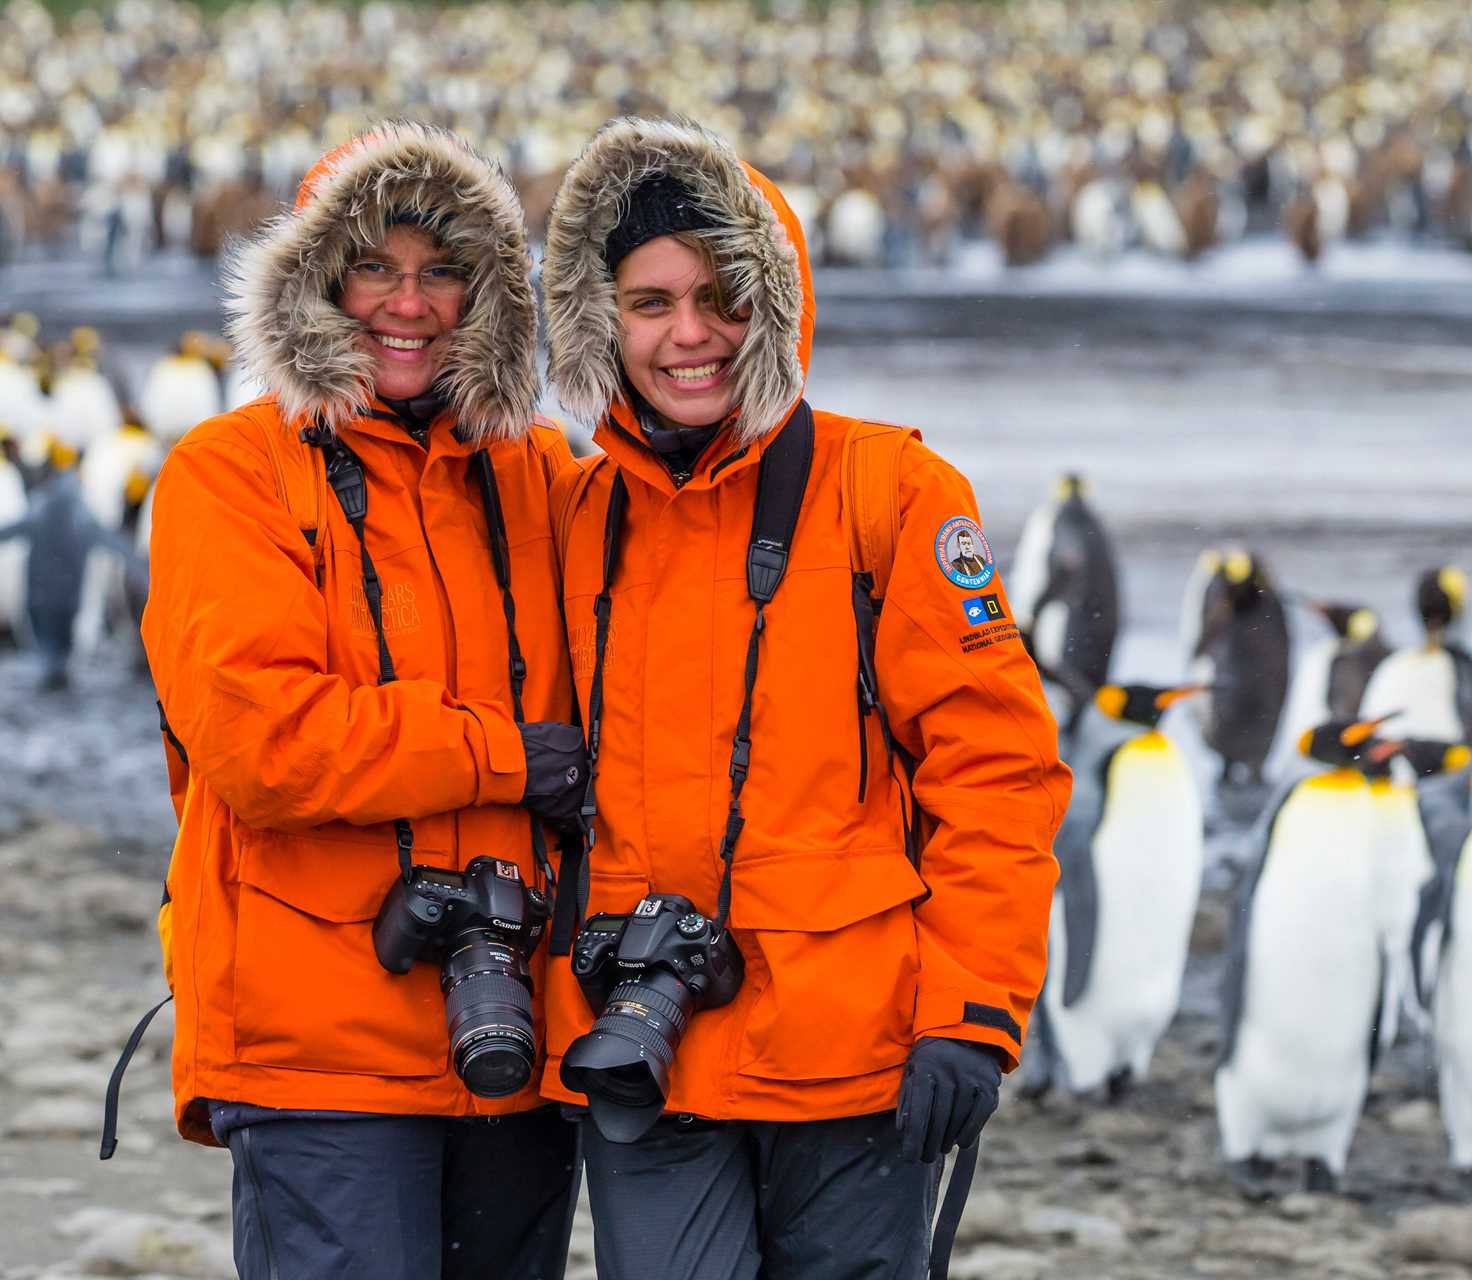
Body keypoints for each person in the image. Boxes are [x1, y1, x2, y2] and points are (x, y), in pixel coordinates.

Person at [538, 116, 1070, 1278]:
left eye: (721, 294)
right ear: (598, 318)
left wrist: (970, 1014)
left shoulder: (893, 494)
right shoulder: (580, 516)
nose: (689, 335)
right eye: (649, 302)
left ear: (773, 301)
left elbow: (1000, 771)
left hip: (854, 1054)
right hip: (644, 1048)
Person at [139, 120, 587, 1280]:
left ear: (491, 295)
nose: (411, 303)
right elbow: (261, 739)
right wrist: (503, 757)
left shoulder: (541, 473)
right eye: (376, 267)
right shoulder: (231, 475)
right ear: (316, 283)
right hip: (319, 1048)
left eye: (445, 272)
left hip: (513, 1032)